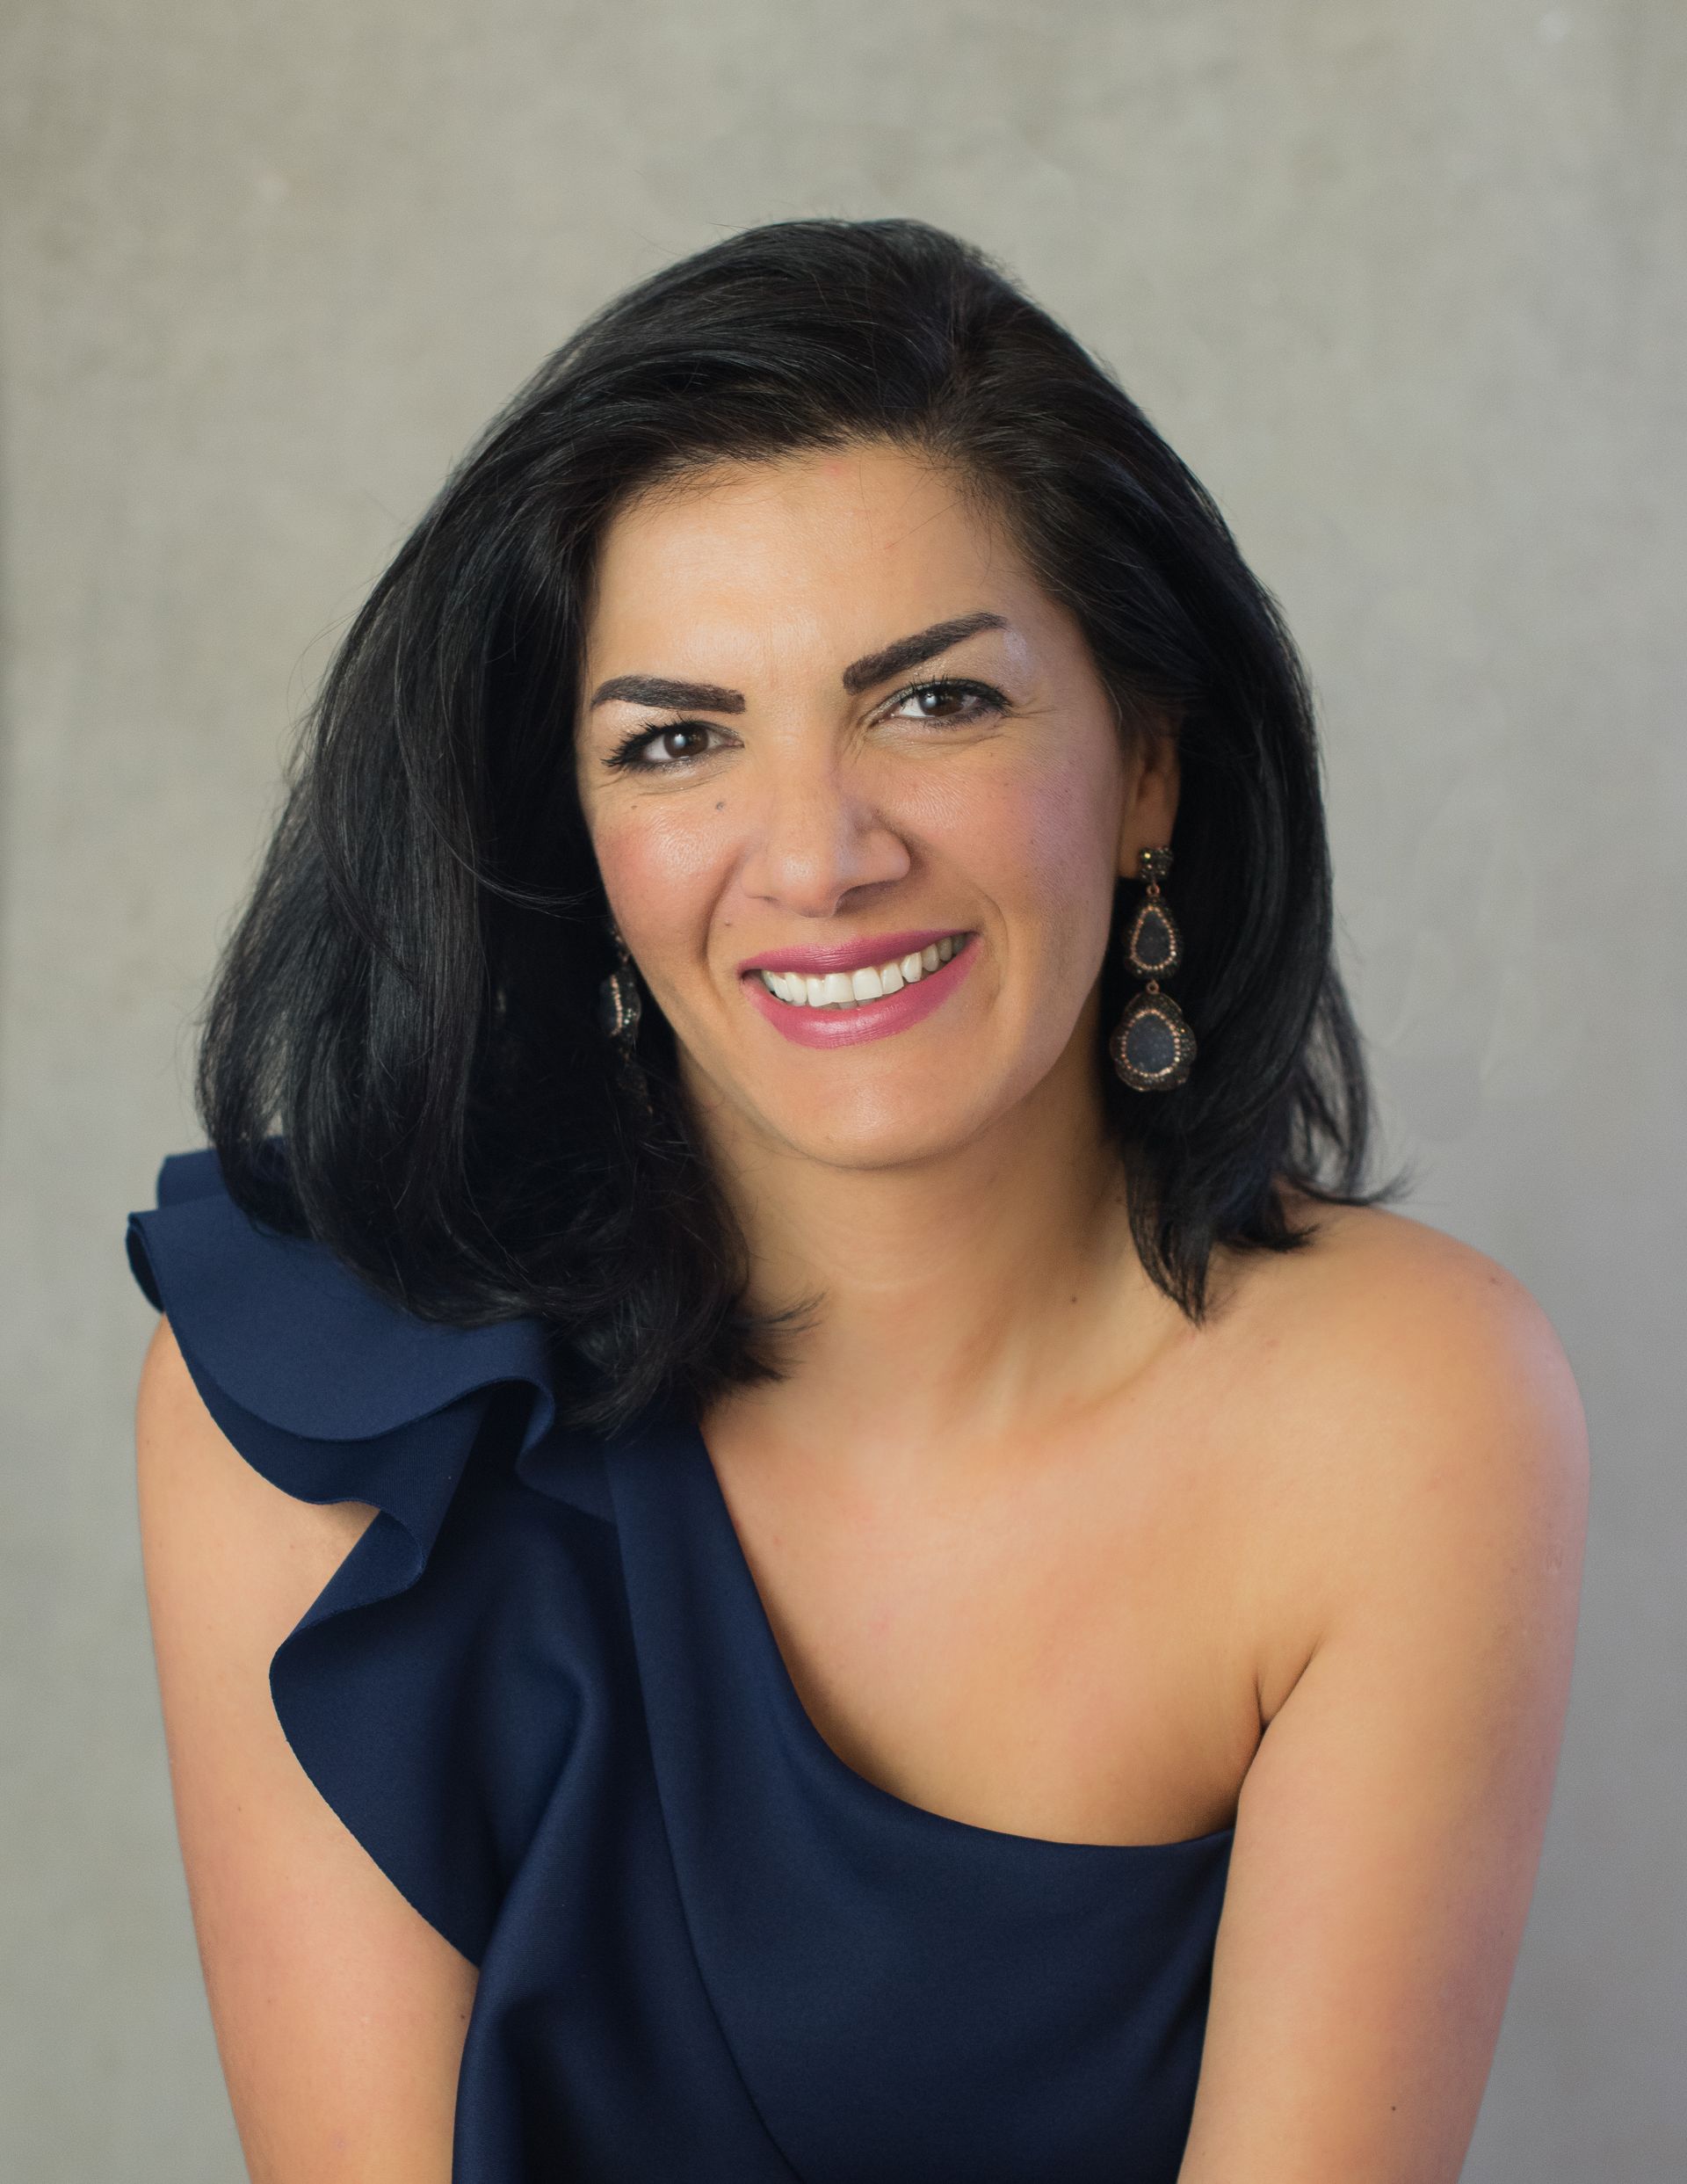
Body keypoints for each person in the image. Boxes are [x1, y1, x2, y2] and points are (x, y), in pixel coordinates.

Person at [128, 217, 1588, 2184]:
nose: (816, 855)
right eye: (678, 741)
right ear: (579, 842)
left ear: (1149, 765)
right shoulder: (322, 1397)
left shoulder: (1403, 1411)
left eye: (935, 704)